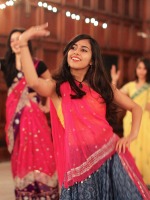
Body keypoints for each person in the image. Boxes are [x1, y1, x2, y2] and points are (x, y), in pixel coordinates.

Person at [18, 23, 150, 199]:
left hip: (110, 157)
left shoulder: (103, 87)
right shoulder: (57, 87)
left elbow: (136, 107)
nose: (76, 52)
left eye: (83, 49)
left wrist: (131, 136)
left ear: (92, 59)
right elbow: (34, 82)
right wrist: (23, 41)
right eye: (73, 48)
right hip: (78, 166)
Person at [0, 28, 59, 199]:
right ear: (10, 45)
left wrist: (48, 104)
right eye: (12, 40)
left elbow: (51, 82)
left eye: (19, 39)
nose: (15, 42)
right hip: (15, 116)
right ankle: (25, 189)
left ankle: (45, 189)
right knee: (20, 148)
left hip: (34, 112)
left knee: (41, 146)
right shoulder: (5, 64)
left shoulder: (37, 64)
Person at [111, 58, 150, 188]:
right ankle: (131, 177)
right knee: (130, 147)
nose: (141, 71)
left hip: (146, 122)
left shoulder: (149, 88)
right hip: (130, 121)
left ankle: (144, 181)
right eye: (139, 67)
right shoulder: (130, 86)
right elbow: (114, 95)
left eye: (144, 68)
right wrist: (114, 80)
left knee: (145, 149)